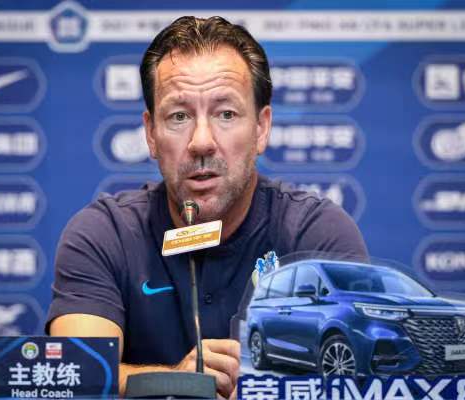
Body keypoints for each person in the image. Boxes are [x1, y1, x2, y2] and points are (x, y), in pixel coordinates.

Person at [46, 16, 368, 398]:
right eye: (179, 116)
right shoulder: (104, 234)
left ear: (262, 128)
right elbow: (76, 378)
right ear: (151, 134)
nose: (201, 142)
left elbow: (357, 381)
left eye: (226, 114)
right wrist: (177, 383)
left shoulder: (316, 235)